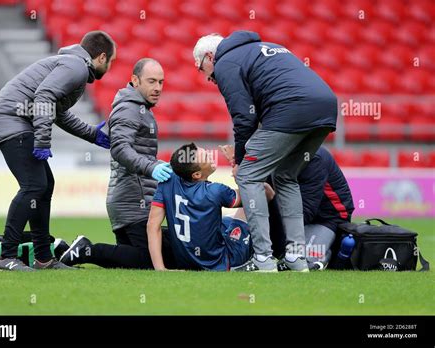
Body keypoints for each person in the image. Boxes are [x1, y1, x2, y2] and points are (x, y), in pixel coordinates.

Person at [193, 30, 338, 272]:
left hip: (292, 109)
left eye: (202, 70)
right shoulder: (263, 47)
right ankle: (296, 257)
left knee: (248, 175)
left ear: (209, 57)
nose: (209, 79)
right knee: (286, 176)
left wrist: (240, 160)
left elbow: (244, 117)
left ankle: (263, 257)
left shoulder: (226, 62)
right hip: (325, 107)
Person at [0, 31, 116, 271]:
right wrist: (43, 141)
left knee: (44, 185)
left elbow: (57, 112)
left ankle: (44, 258)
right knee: (34, 186)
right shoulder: (76, 67)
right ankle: (6, 258)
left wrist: (92, 134)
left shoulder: (72, 65)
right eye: (110, 62)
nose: (109, 67)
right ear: (101, 57)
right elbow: (43, 96)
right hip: (11, 120)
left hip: (13, 120)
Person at [60, 58, 175, 269]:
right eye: (151, 81)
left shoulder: (139, 108)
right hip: (133, 201)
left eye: (161, 82)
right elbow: (121, 149)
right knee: (152, 258)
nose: (158, 88)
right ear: (135, 80)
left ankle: (63, 248)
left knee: (132, 261)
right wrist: (152, 167)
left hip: (129, 199)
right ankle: (87, 250)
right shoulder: (130, 109)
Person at [220, 145, 354, 270]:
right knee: (228, 225)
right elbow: (262, 191)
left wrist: (271, 201)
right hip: (288, 212)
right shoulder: (270, 152)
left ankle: (328, 252)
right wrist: (243, 170)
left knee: (300, 261)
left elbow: (304, 214)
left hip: (326, 219)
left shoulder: (314, 159)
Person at [147, 143, 275, 271]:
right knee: (252, 203)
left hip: (185, 262)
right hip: (224, 261)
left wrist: (160, 268)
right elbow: (264, 193)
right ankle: (268, 254)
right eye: (206, 157)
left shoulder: (168, 181)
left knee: (226, 220)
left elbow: (152, 226)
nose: (210, 154)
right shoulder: (216, 191)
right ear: (196, 175)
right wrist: (236, 165)